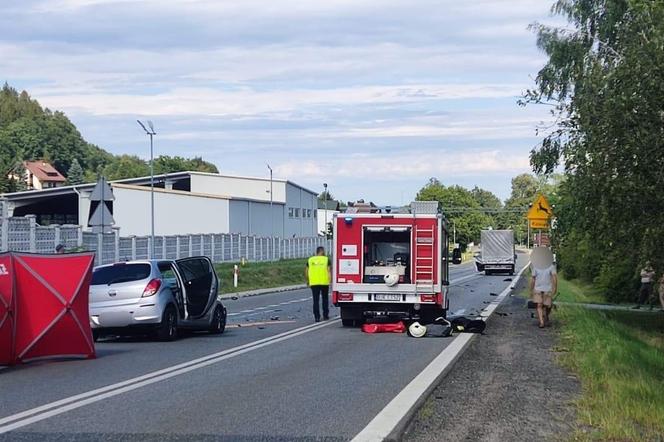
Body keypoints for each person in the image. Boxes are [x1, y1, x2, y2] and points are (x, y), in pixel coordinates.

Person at [306, 246, 331, 322]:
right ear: (322, 251)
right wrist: (330, 280)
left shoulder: (310, 260)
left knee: (315, 300)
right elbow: (329, 271)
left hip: (314, 283)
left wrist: (308, 280)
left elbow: (306, 271)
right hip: (324, 282)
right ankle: (325, 315)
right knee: (325, 299)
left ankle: (317, 317)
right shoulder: (326, 259)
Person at [530, 259, 558, 328]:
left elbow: (554, 277)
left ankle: (546, 316)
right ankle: (542, 322)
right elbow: (533, 279)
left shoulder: (551, 267)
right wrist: (531, 288)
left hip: (547, 289)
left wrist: (555, 288)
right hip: (538, 289)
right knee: (539, 305)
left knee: (547, 305)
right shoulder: (536, 267)